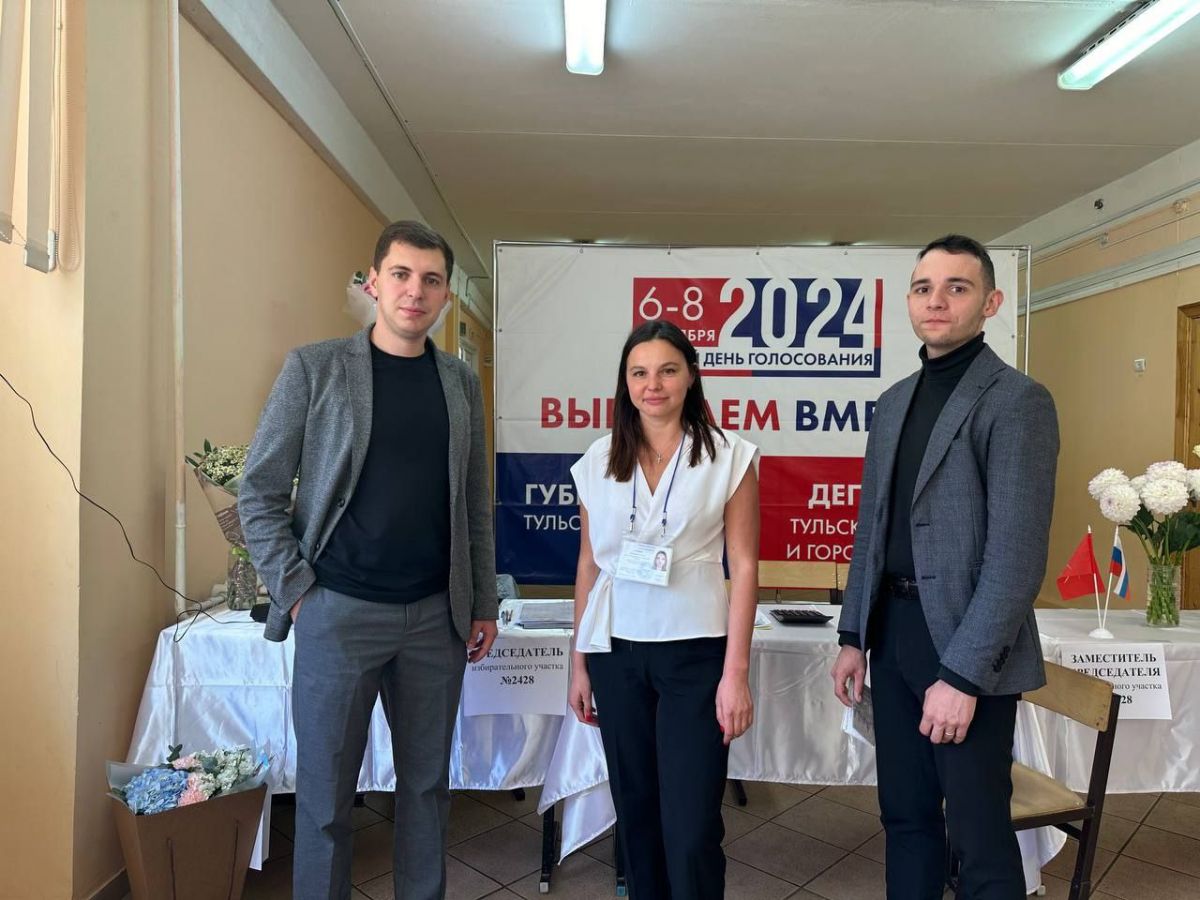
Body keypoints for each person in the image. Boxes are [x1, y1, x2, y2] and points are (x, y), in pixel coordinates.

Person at [239, 220, 498, 900]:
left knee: (426, 792)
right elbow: (258, 492)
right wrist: (299, 592)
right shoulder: (315, 368)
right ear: (375, 282)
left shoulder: (459, 382)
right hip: (338, 614)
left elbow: (474, 502)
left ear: (445, 296)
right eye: (402, 275)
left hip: (434, 621)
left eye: (432, 280)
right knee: (325, 800)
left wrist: (483, 601)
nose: (416, 291)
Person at [830, 235, 1059, 899]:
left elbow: (1016, 557)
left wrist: (961, 676)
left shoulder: (1017, 401)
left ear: (990, 302)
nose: (937, 300)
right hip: (893, 637)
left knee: (979, 835)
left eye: (957, 287)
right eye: (923, 288)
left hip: (965, 648)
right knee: (905, 819)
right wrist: (852, 636)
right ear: (909, 300)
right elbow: (872, 528)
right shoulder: (893, 402)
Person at [568, 320, 759, 899]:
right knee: (637, 816)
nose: (653, 385)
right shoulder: (598, 460)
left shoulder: (729, 457)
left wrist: (736, 673)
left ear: (691, 376)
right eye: (640, 373)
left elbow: (744, 565)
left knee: (692, 824)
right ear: (625, 383)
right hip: (616, 654)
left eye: (668, 370)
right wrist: (578, 665)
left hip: (696, 655)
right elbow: (588, 566)